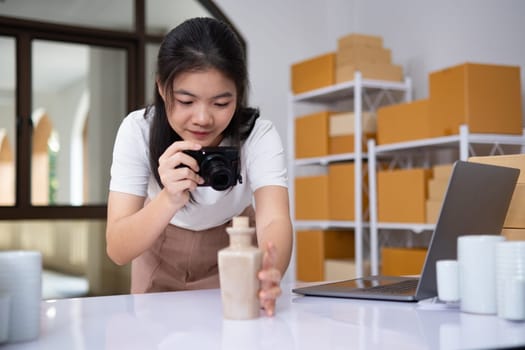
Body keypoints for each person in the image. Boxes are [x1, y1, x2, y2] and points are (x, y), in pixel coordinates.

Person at [105, 17, 293, 316]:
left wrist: (272, 271)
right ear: (163, 89)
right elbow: (117, 248)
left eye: (221, 104)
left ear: (239, 95)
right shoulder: (138, 130)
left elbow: (274, 220)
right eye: (186, 101)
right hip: (158, 256)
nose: (203, 118)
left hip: (234, 250)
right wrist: (168, 198)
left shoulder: (258, 134)